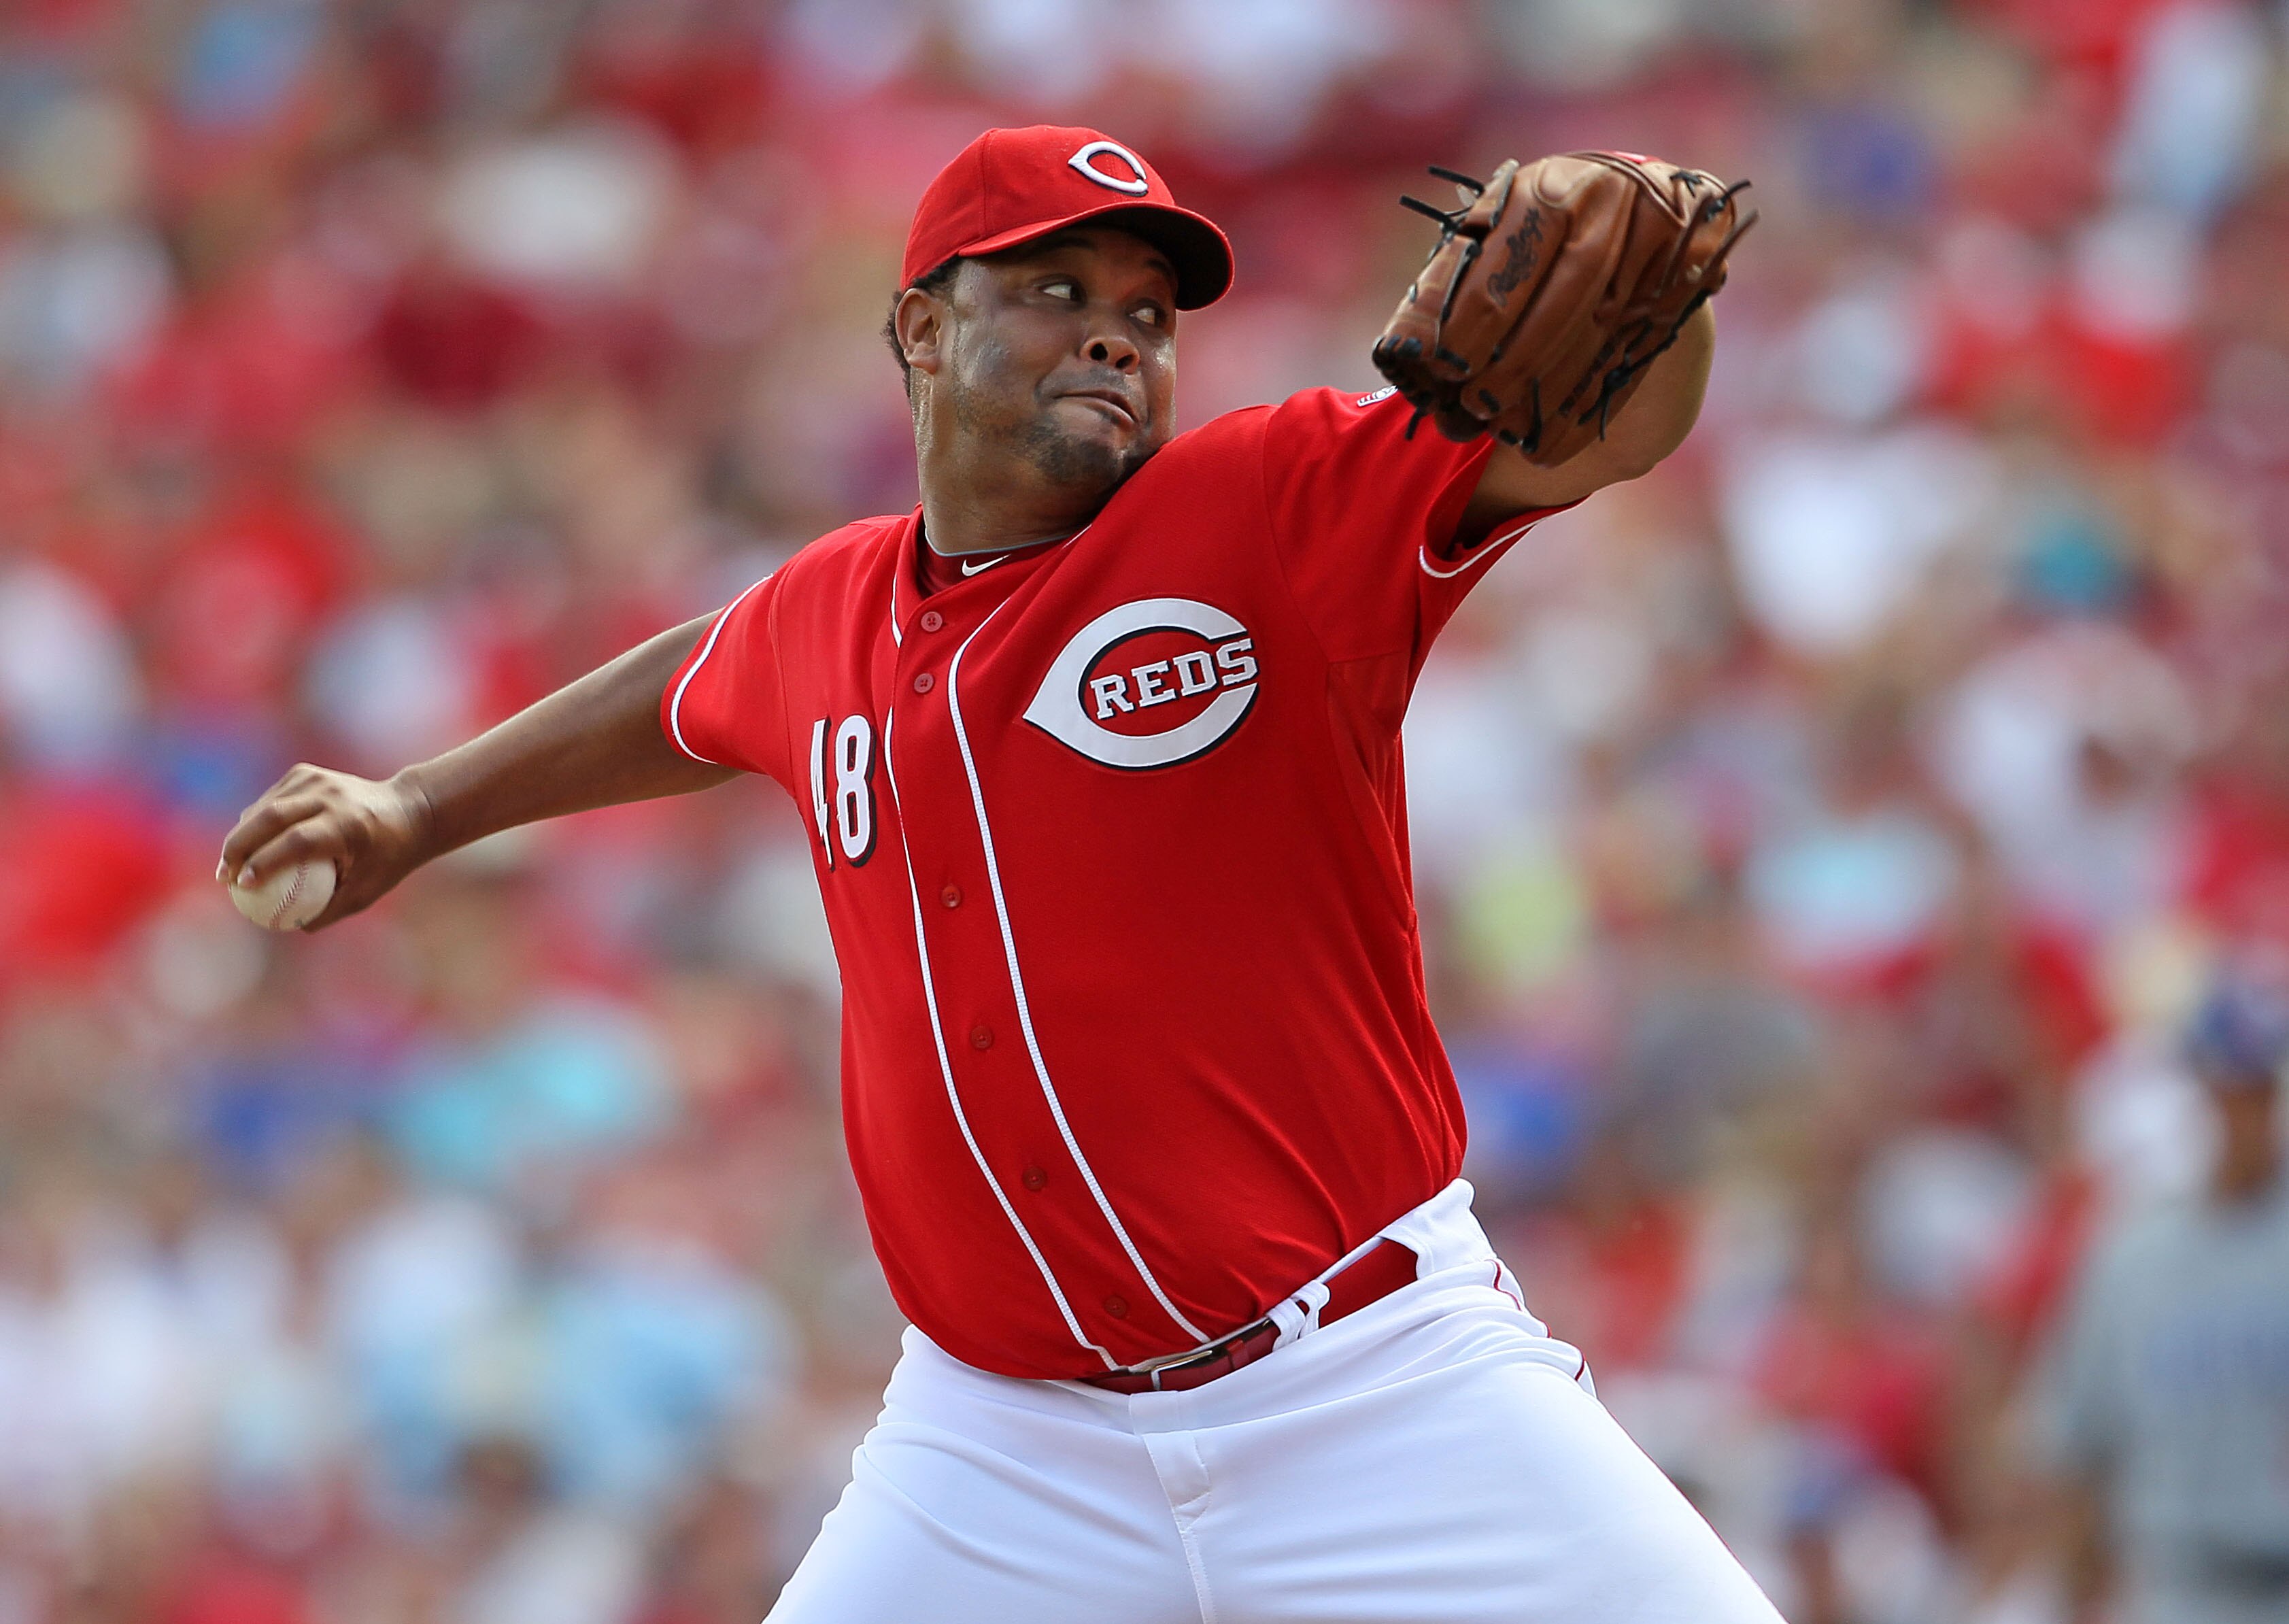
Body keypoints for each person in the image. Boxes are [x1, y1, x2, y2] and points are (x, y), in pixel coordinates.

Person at [221, 126, 1782, 1622]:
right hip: (1002, 1451)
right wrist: (418, 807)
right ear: (918, 324)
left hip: (1365, 1381)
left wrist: (1651, 284)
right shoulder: (823, 610)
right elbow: (696, 684)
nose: (1114, 338)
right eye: (1054, 292)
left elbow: (1592, 431)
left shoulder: (1264, 508)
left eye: (1146, 316)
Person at [2040, 964, 2289, 1624]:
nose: (2240, 1110)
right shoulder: (2132, 1255)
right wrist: (2076, 1598)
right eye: (2224, 1087)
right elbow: (2079, 1450)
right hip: (2176, 1585)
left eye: (2257, 1087)